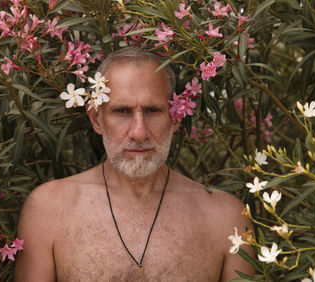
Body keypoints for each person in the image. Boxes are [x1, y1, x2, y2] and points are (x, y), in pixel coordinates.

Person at [14, 47, 254, 281]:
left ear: (176, 116)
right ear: (97, 119)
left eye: (152, 110)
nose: (139, 133)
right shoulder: (49, 210)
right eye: (122, 111)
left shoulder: (226, 219)